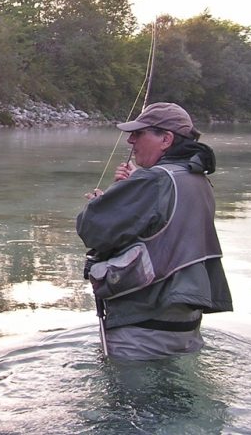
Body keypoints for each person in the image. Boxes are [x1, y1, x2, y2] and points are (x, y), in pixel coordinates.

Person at [77, 102, 233, 361]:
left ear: (166, 139)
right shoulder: (199, 179)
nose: (130, 140)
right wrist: (130, 188)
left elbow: (91, 230)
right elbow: (165, 230)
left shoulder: (154, 180)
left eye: (139, 133)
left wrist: (104, 199)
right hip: (186, 326)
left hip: (141, 331)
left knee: (123, 389)